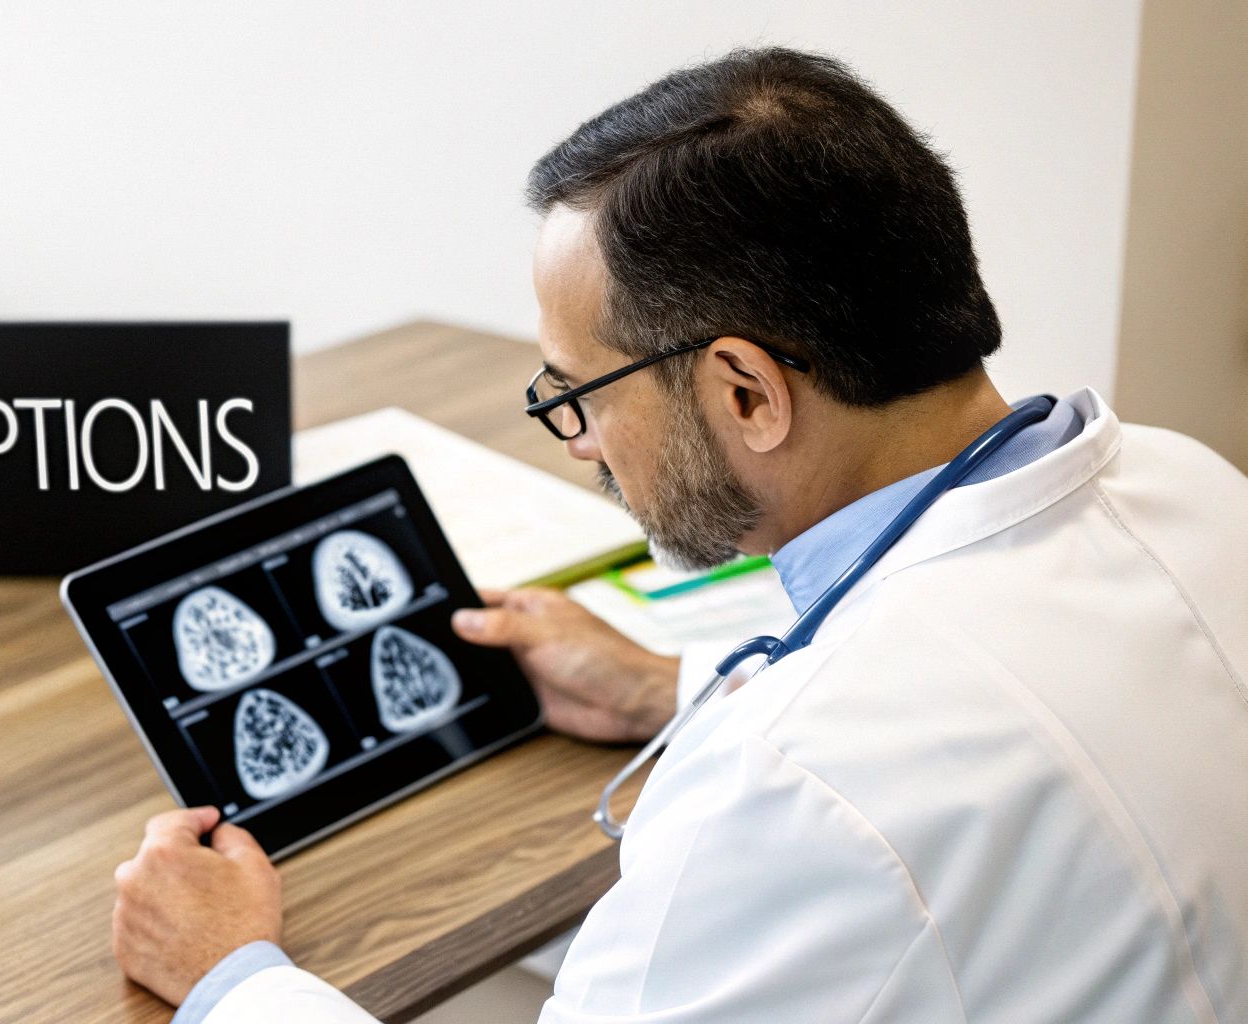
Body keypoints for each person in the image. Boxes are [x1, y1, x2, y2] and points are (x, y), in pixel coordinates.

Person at [110, 47, 1248, 1022]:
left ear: (746, 390)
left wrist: (230, 976)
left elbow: (862, 765)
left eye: (580, 395)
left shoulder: (793, 791)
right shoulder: (1189, 483)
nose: (578, 443)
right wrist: (667, 687)